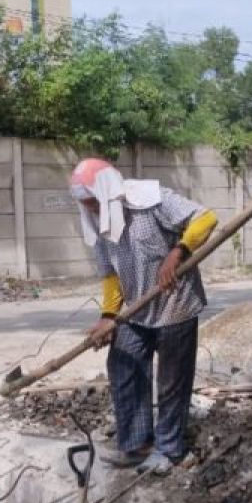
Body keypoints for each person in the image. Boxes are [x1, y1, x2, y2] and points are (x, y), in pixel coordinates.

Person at [70, 158, 218, 475]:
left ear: (108, 191)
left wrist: (178, 253)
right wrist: (109, 315)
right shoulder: (97, 221)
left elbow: (205, 218)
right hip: (135, 310)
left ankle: (170, 450)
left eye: (94, 201)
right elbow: (110, 273)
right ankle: (138, 445)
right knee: (123, 365)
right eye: (86, 204)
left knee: (171, 382)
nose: (92, 208)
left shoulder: (152, 200)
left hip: (175, 305)